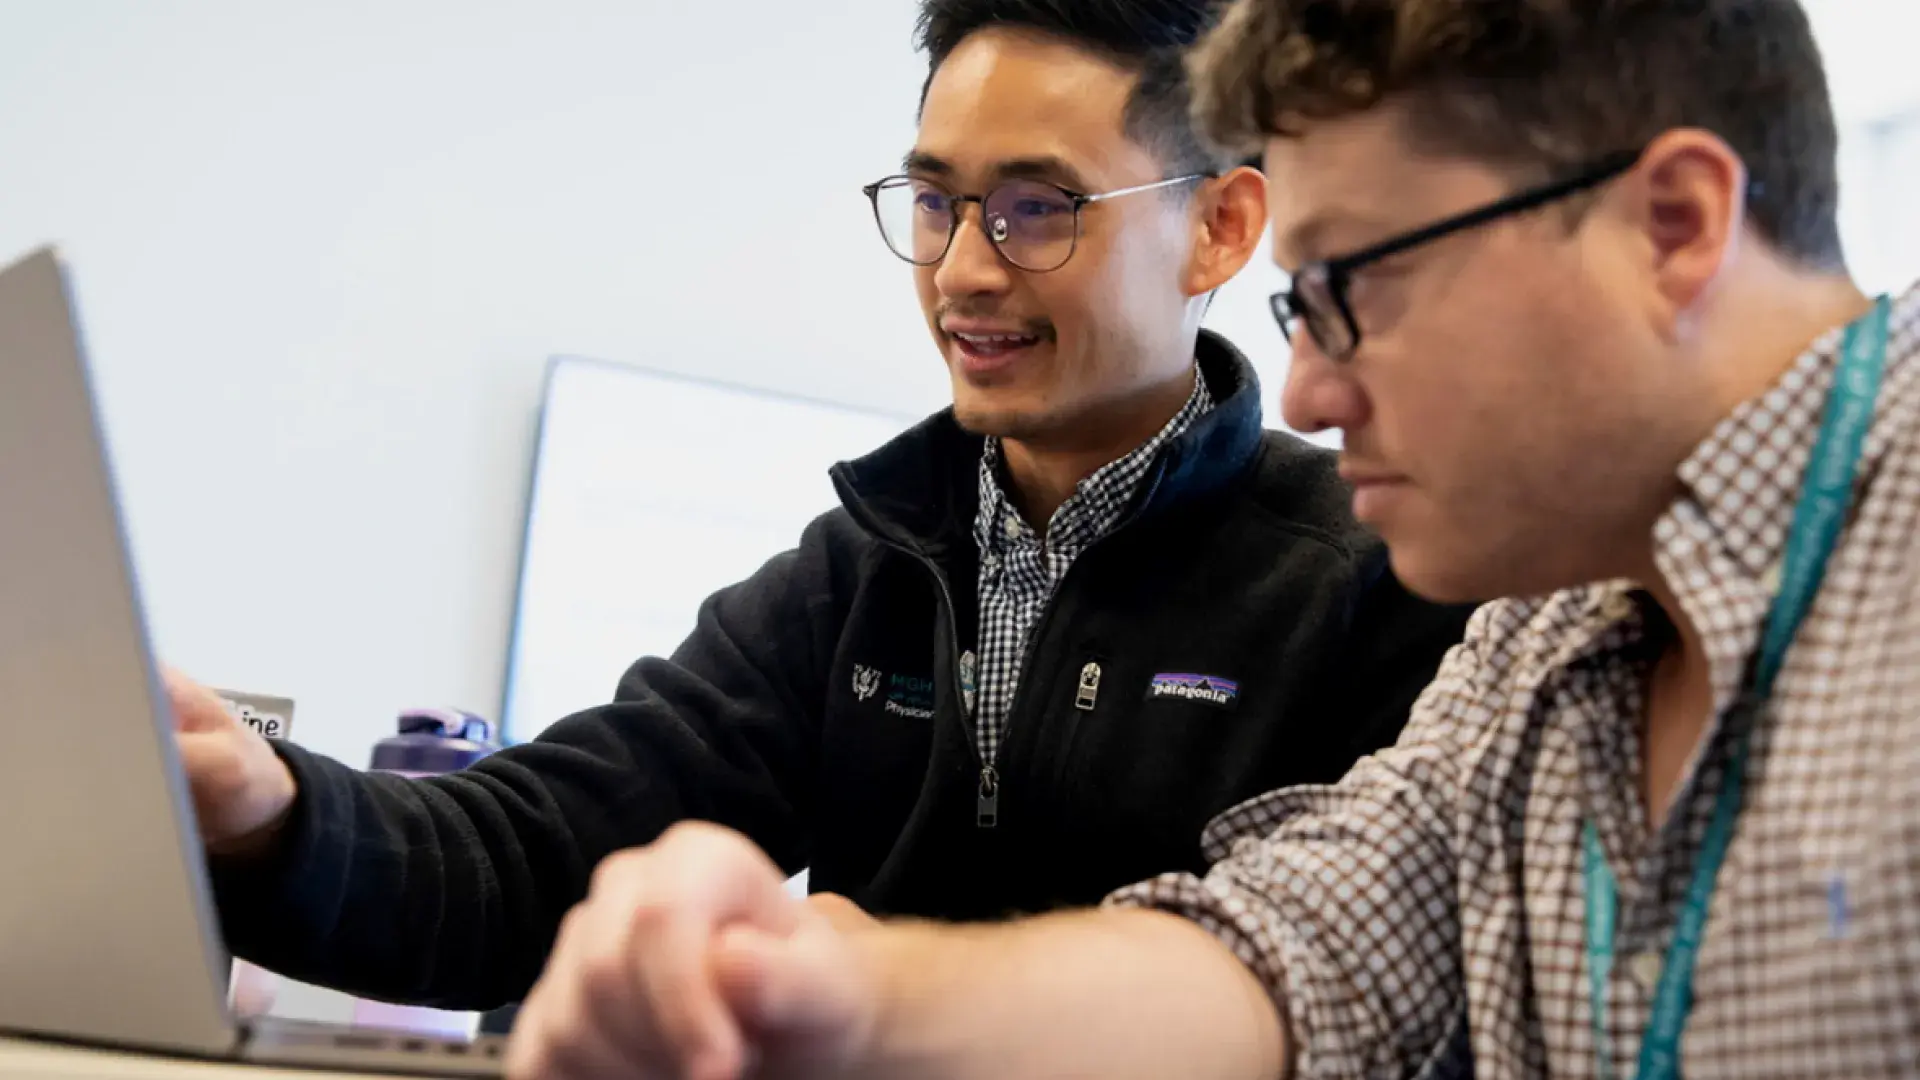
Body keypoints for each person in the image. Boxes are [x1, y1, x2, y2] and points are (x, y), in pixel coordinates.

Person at [494, 1, 1920, 1078]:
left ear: (1669, 224)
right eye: (1303, 308)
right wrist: (837, 999)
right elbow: (1288, 956)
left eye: (1355, 286)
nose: (1304, 388)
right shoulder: (1547, 642)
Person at [169, 0, 1471, 1015]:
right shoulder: (868, 572)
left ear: (1222, 228)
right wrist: (265, 806)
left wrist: (890, 1000)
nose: (964, 271)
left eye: (1034, 210)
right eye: (936, 204)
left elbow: (1336, 1005)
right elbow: (531, 858)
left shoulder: (1372, 586)